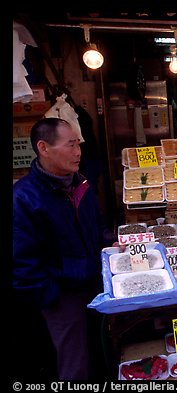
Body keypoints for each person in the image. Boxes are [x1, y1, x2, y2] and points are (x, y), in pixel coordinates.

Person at [12, 117, 110, 380]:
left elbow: (97, 227)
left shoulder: (80, 184)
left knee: (101, 350)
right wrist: (53, 297)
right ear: (43, 148)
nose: (78, 152)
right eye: (70, 145)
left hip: (94, 283)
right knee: (75, 363)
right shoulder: (23, 198)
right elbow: (22, 266)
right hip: (62, 295)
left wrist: (112, 246)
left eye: (78, 145)